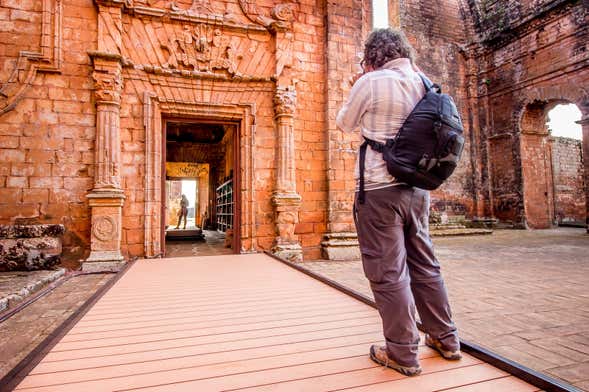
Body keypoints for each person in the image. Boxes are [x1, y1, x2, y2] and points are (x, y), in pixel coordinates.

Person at [336, 28, 461, 377]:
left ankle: (403, 352)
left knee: (389, 271)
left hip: (379, 191)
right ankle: (446, 338)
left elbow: (344, 123)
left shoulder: (371, 82)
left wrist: (361, 81)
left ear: (373, 56)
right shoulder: (425, 81)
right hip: (418, 191)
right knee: (425, 264)